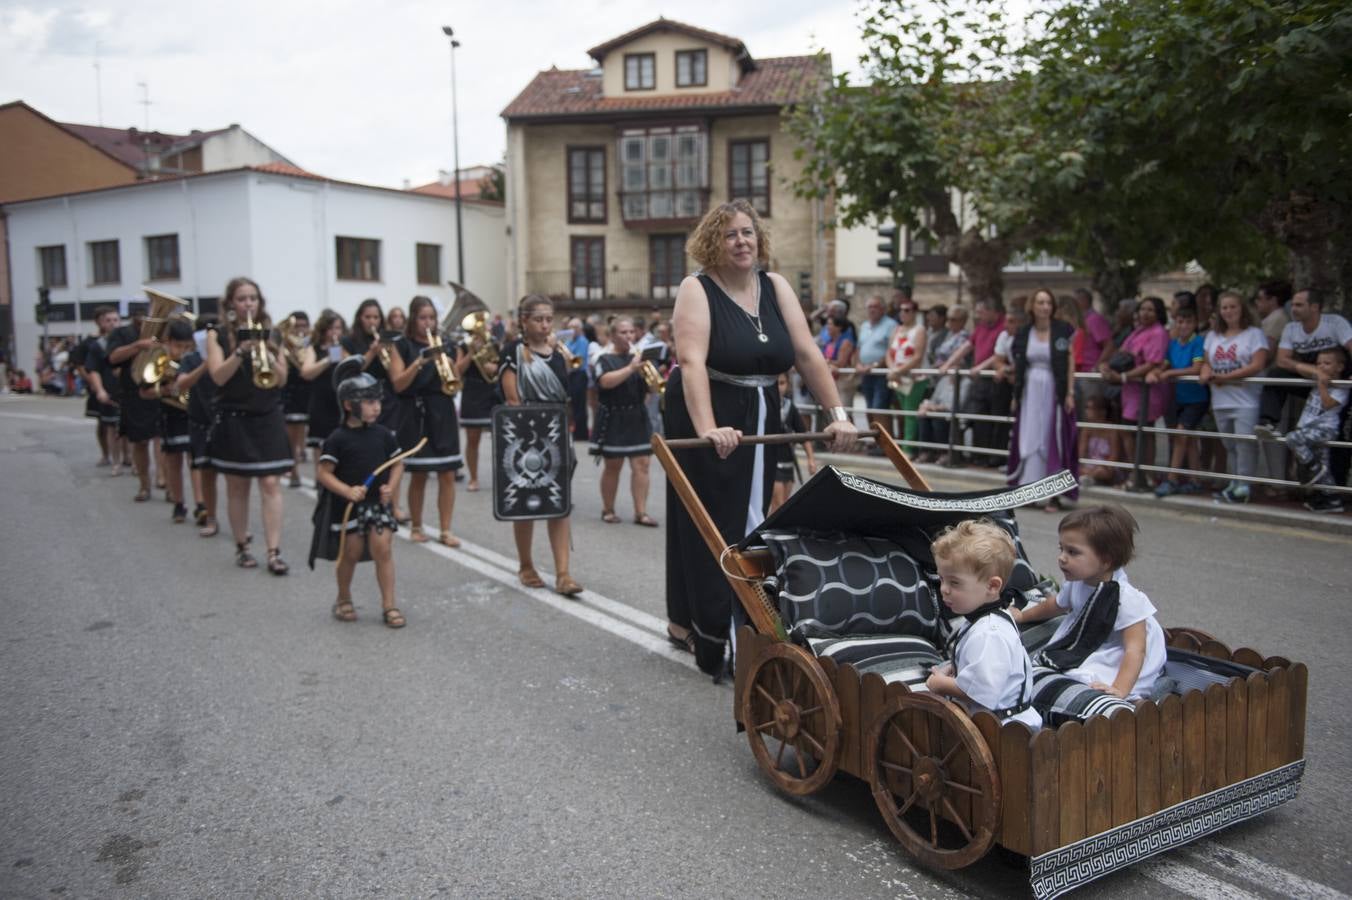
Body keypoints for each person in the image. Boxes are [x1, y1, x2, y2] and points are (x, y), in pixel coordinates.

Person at [664, 199, 856, 678]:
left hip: (763, 409)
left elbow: (807, 353)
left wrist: (838, 414)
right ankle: (719, 638)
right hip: (709, 405)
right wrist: (709, 426)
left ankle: (737, 624)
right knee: (718, 523)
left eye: (747, 232)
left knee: (753, 518)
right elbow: (690, 362)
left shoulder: (775, 286)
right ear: (713, 242)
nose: (741, 241)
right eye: (730, 234)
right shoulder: (696, 288)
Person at [1012, 505, 1165, 700]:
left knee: (1088, 678)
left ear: (1106, 560)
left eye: (1073, 552)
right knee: (1057, 666)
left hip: (1117, 651)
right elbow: (1056, 605)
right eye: (1062, 549)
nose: (1062, 558)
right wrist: (1023, 615)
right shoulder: (1078, 582)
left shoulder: (1125, 599)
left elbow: (1135, 649)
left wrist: (1120, 689)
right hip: (1090, 638)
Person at [205, 277, 293, 573]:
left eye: (252, 298)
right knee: (237, 485)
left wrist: (267, 352)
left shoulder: (274, 333)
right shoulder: (216, 334)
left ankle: (273, 551)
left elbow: (282, 378)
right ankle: (242, 546)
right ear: (231, 303)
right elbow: (217, 376)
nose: (248, 304)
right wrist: (241, 351)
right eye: (242, 299)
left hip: (267, 416)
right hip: (234, 417)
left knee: (270, 483)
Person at [500, 295, 584, 597]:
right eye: (539, 319)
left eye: (549, 319)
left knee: (558, 503)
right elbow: (511, 398)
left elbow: (567, 395)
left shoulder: (559, 353)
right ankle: (526, 565)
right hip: (527, 433)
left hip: (558, 430)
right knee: (527, 501)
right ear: (524, 320)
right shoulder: (513, 352)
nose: (545, 325)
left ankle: (563, 573)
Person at [312, 372, 406, 628]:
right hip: (348, 507)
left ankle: (389, 605)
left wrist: (390, 486)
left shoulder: (384, 434)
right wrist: (346, 491)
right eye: (368, 401)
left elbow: (398, 464)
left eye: (377, 401)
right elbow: (323, 473)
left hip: (377, 503)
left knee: (383, 550)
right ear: (348, 405)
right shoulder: (337, 439)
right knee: (350, 553)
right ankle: (343, 598)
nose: (376, 407)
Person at [926, 521, 1041, 729]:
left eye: (954, 582)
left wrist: (940, 684)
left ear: (992, 586)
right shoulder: (988, 619)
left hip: (1002, 730)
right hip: (995, 723)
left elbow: (981, 692)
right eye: (941, 579)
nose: (944, 589)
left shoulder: (989, 633)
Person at [390, 296, 464, 548]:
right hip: (415, 411)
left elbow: (456, 386)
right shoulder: (401, 345)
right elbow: (398, 384)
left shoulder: (447, 345)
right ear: (413, 318)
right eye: (423, 318)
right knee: (419, 474)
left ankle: (446, 529)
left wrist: (452, 366)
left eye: (432, 318)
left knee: (447, 473)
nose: (428, 323)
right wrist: (420, 362)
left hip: (442, 411)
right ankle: (417, 526)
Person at [1261, 288, 1352, 488]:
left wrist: (1336, 377)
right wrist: (1313, 371)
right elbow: (1282, 360)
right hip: (1311, 379)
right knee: (1276, 374)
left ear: (1315, 307)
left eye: (1299, 305)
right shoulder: (1292, 329)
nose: (1294, 309)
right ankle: (1268, 420)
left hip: (1337, 384)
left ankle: (1336, 486)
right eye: (1293, 304)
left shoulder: (1335, 323)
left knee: (1339, 437)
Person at [1256, 346, 1349, 514]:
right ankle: (1331, 498)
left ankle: (1311, 467)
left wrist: (1321, 386)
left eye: (1327, 363)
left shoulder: (1341, 386)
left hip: (1325, 429)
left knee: (1292, 439)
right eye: (1319, 363)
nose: (1321, 367)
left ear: (1340, 367)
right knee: (1324, 468)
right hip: (1309, 428)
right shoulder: (1318, 379)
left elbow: (1328, 404)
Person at [1007, 288, 1077, 509]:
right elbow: (1017, 364)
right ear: (1033, 306)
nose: (1045, 307)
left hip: (1053, 388)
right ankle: (1029, 490)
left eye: (1048, 303)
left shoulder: (1062, 330)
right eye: (1040, 302)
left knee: (1051, 438)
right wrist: (1016, 396)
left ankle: (1053, 494)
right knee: (1029, 437)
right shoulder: (1024, 332)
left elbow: (1070, 363)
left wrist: (1070, 393)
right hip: (1030, 390)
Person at [1200, 291, 1269, 504]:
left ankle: (1245, 485)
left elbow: (1258, 364)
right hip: (1220, 399)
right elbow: (1204, 360)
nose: (1229, 311)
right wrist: (1205, 371)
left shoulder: (1254, 334)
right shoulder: (1213, 336)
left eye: (1233, 307)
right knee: (1229, 443)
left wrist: (1225, 377)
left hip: (1245, 399)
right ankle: (1234, 481)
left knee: (1244, 442)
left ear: (1242, 309)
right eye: (1224, 308)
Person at [590, 317, 658, 527]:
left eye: (631, 332)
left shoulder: (639, 358)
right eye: (623, 332)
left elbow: (653, 389)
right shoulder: (604, 359)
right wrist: (630, 368)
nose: (629, 336)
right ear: (612, 335)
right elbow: (605, 382)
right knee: (613, 465)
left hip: (637, 415)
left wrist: (652, 378)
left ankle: (641, 512)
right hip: (614, 416)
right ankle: (608, 509)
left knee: (643, 465)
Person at [342, 299, 404, 519]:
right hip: (360, 399)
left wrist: (389, 351)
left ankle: (393, 505)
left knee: (392, 454)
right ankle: (362, 498)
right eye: (368, 317)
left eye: (376, 317)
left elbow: (396, 372)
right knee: (366, 453)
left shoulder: (389, 339)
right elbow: (349, 371)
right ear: (360, 318)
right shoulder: (349, 341)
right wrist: (371, 352)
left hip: (386, 399)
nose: (372, 321)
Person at [1101, 296, 1169, 480]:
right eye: (1142, 309)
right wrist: (1108, 366)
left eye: (1150, 310)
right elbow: (1123, 353)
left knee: (1145, 432)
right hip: (1129, 391)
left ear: (1158, 313)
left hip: (1146, 390)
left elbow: (1152, 363)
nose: (1145, 313)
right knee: (1128, 430)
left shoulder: (1159, 333)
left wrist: (1124, 376)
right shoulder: (1137, 331)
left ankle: (1147, 474)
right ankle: (1135, 471)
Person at [105, 308, 164, 502]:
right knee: (139, 442)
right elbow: (113, 358)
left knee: (162, 440)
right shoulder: (121, 333)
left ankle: (165, 481)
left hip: (160, 389)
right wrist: (138, 345)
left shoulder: (163, 329)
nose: (144, 316)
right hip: (134, 393)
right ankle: (144, 485)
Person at [1148, 305, 1208, 496]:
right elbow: (1165, 364)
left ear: (1195, 324)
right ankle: (1195, 479)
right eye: (1180, 322)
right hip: (1179, 397)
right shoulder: (1173, 343)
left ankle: (1172, 479)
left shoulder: (1198, 342)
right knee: (1187, 440)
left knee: (1181, 435)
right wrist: (1157, 371)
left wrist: (1170, 372)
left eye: (1188, 322)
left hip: (1196, 398)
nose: (1183, 326)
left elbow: (1196, 367)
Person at [144, 319, 199, 523]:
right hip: (170, 414)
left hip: (193, 415)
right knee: (174, 461)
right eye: (178, 346)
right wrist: (164, 389)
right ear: (168, 342)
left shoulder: (193, 360)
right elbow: (144, 391)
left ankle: (201, 504)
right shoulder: (159, 361)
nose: (183, 351)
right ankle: (178, 503)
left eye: (187, 347)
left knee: (195, 462)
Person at [917, 306, 970, 464]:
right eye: (948, 319)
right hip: (940, 379)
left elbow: (954, 405)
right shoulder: (948, 336)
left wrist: (934, 408)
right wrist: (928, 406)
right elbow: (935, 399)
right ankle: (926, 451)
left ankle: (944, 453)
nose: (948, 323)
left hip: (949, 409)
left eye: (953, 320)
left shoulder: (963, 338)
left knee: (938, 417)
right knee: (923, 414)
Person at [958, 299, 1007, 464]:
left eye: (981, 312)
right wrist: (947, 364)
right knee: (979, 417)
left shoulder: (1004, 326)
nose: (978, 316)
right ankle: (980, 454)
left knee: (996, 419)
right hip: (980, 380)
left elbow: (998, 354)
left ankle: (995, 456)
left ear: (993, 311)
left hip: (995, 380)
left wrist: (979, 367)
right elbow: (967, 346)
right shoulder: (980, 327)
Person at [183, 316, 219, 535]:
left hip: (224, 420)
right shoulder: (190, 358)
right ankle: (209, 516)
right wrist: (206, 365)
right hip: (199, 419)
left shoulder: (225, 354)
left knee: (235, 477)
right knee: (205, 471)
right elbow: (181, 384)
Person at [458, 315, 500, 492]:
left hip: (492, 393)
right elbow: (458, 370)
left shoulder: (494, 343)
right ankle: (474, 478)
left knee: (500, 439)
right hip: (472, 393)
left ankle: (501, 477)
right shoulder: (464, 345)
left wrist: (494, 368)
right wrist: (471, 354)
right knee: (472, 439)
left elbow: (502, 366)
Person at [82, 306, 124, 470]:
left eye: (115, 320)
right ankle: (115, 461)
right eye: (108, 320)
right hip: (109, 390)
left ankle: (131, 460)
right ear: (102, 323)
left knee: (130, 430)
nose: (112, 323)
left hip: (126, 391)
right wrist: (99, 390)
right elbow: (93, 370)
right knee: (111, 428)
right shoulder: (98, 345)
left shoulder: (127, 340)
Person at [300, 310, 346, 452]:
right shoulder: (314, 348)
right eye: (331, 328)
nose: (334, 332)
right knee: (321, 449)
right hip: (321, 404)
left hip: (340, 404)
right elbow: (306, 373)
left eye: (338, 328)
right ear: (323, 329)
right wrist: (327, 359)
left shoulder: (344, 347)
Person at [770, 371, 817, 512]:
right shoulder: (765, 407)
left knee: (784, 504)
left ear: (788, 385)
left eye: (782, 383)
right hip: (772, 461)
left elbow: (803, 435)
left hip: (788, 461)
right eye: (775, 384)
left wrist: (811, 459)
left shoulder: (790, 407)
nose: (779, 387)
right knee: (777, 504)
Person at [885, 298, 927, 450]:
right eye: (901, 310)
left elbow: (917, 356)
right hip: (898, 377)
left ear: (914, 312)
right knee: (903, 412)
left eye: (907, 310)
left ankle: (908, 449)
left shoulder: (919, 329)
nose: (903, 313)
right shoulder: (897, 329)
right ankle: (906, 445)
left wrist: (898, 371)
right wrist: (893, 369)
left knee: (910, 413)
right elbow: (889, 353)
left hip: (913, 378)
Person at [853, 294, 898, 440]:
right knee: (870, 409)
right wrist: (858, 364)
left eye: (875, 306)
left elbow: (890, 350)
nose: (872, 310)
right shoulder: (865, 325)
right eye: (869, 307)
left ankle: (887, 443)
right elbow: (859, 348)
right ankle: (876, 441)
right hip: (866, 373)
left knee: (880, 407)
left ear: (883, 309)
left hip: (881, 373)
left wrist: (875, 365)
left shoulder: (891, 325)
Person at [280, 310, 312, 489]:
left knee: (305, 434)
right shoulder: (285, 346)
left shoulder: (311, 344)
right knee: (292, 435)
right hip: (291, 393)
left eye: (303, 326)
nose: (300, 330)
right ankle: (294, 470)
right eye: (296, 326)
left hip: (309, 393)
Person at [1072, 288, 1115, 404]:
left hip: (1091, 375)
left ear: (1084, 301)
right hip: (1081, 373)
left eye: (1075, 301)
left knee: (1091, 409)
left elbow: (1109, 345)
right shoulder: (1083, 320)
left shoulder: (1095, 320)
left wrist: (1096, 367)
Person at [1078, 393, 1122, 486]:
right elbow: (1081, 453)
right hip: (1090, 464)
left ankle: (1089, 478)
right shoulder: (1087, 428)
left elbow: (1114, 456)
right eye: (1086, 408)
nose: (1087, 411)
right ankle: (1089, 478)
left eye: (1091, 408)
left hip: (1105, 467)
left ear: (1102, 411)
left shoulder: (1112, 430)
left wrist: (1101, 467)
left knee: (1101, 472)